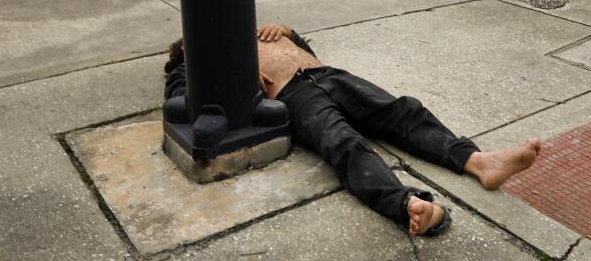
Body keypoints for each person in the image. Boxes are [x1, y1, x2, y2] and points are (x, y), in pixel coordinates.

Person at [163, 24, 542, 237]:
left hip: (328, 75)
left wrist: (290, 33)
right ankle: (408, 204)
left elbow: (308, 50)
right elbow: (182, 97)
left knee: (402, 111)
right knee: (342, 142)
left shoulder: (255, 31)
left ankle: (479, 162)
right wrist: (230, 81)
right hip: (294, 97)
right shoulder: (200, 66)